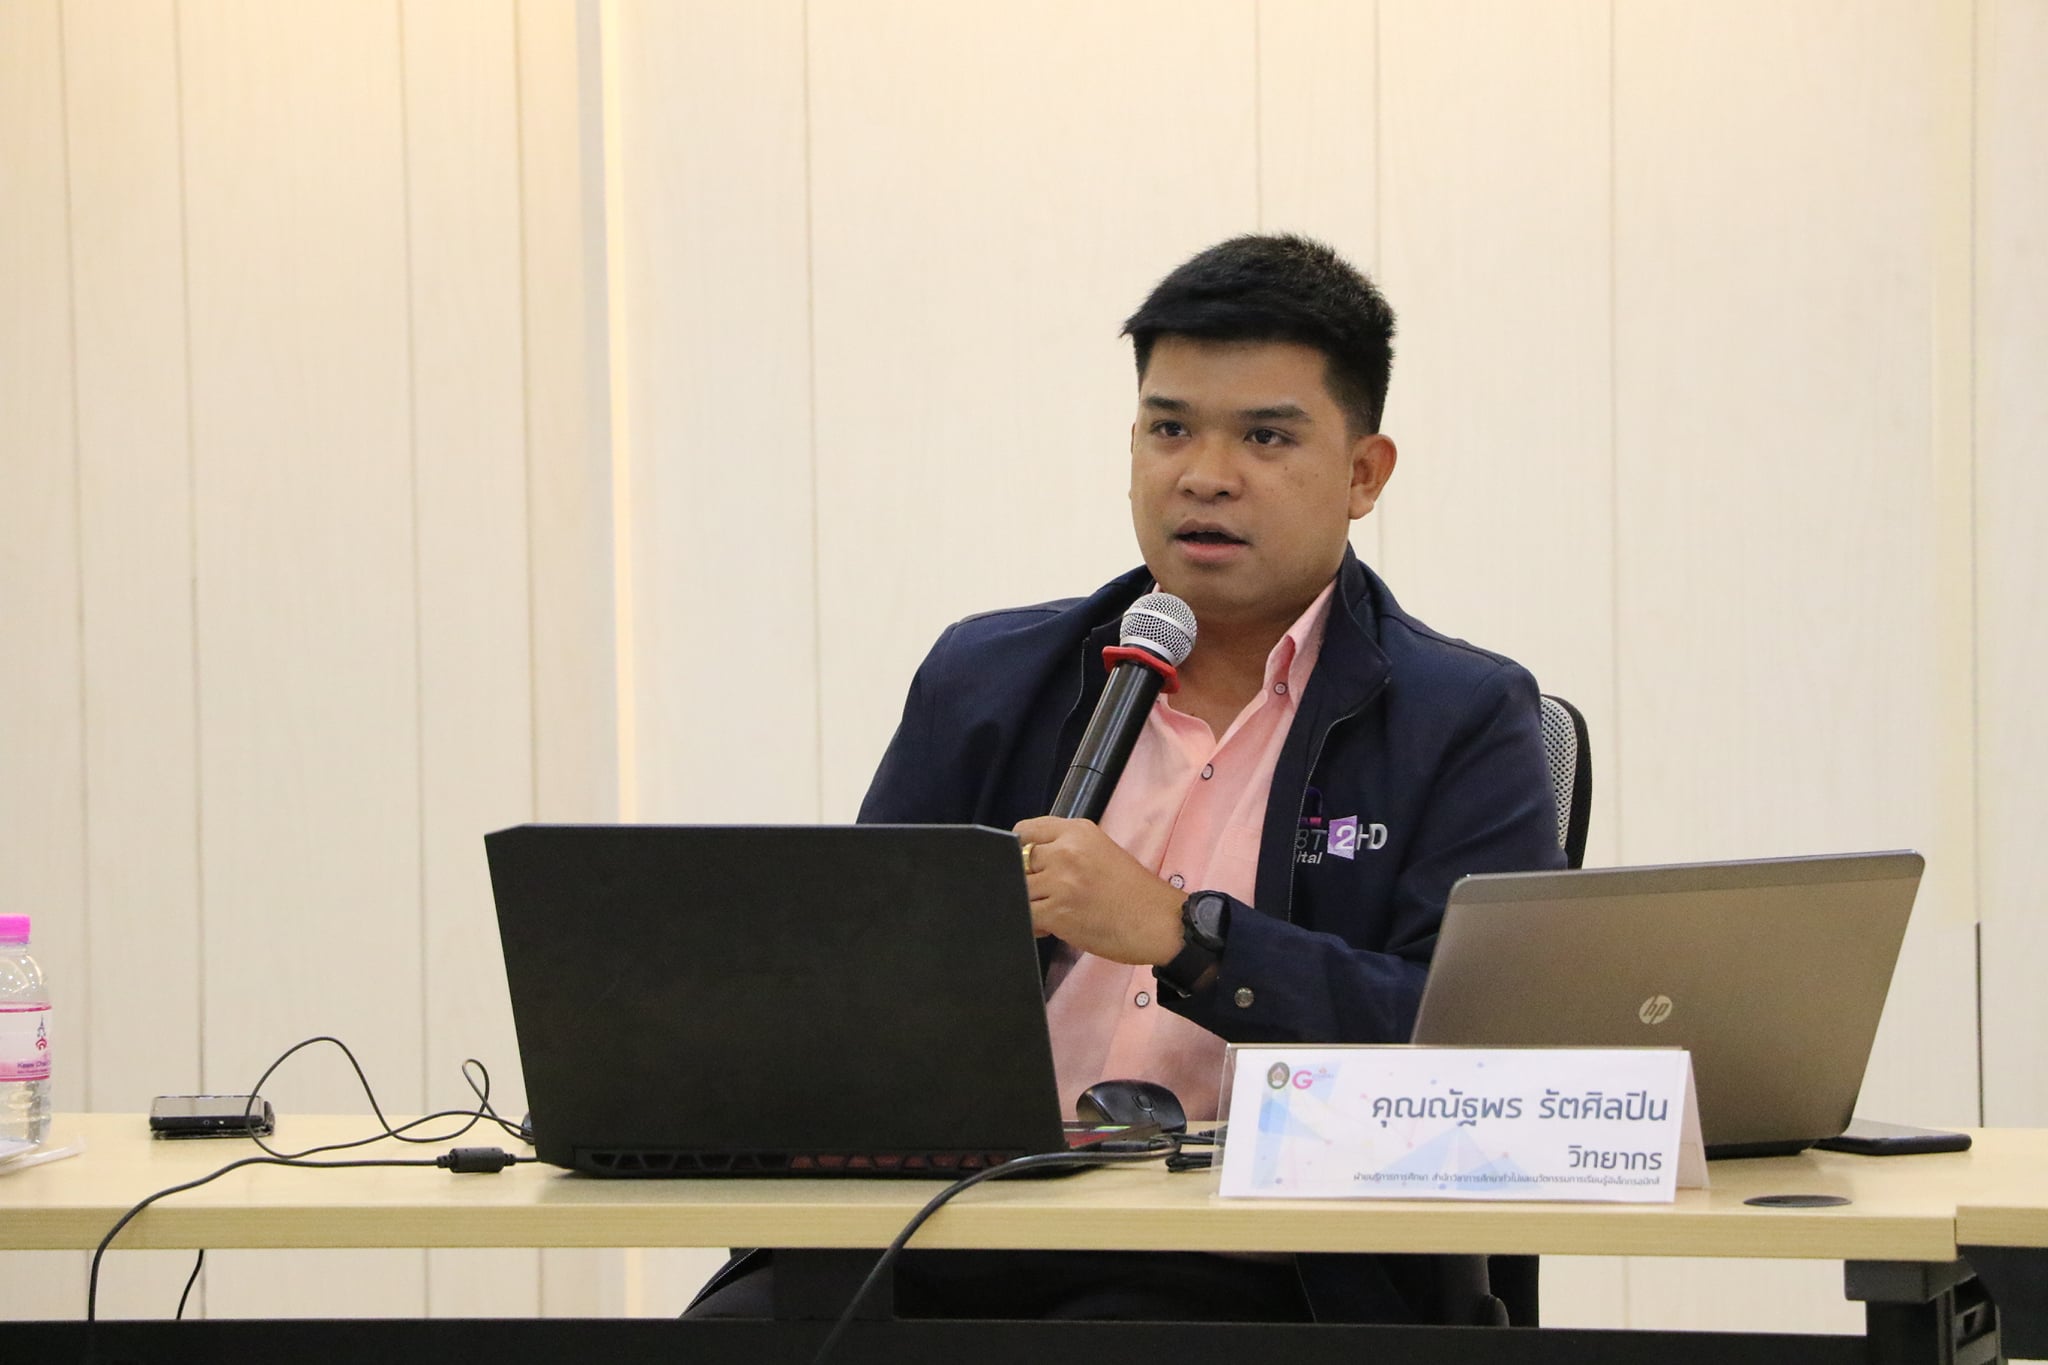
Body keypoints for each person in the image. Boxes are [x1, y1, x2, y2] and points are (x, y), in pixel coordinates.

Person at [690, 233, 1563, 1324]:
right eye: (1169, 429)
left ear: (1363, 474)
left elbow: (1488, 1057)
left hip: (1267, 1261)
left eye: (1264, 436)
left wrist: (1187, 937)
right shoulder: (987, 680)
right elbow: (847, 997)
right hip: (948, 1225)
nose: (1204, 474)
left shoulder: (1459, 715)